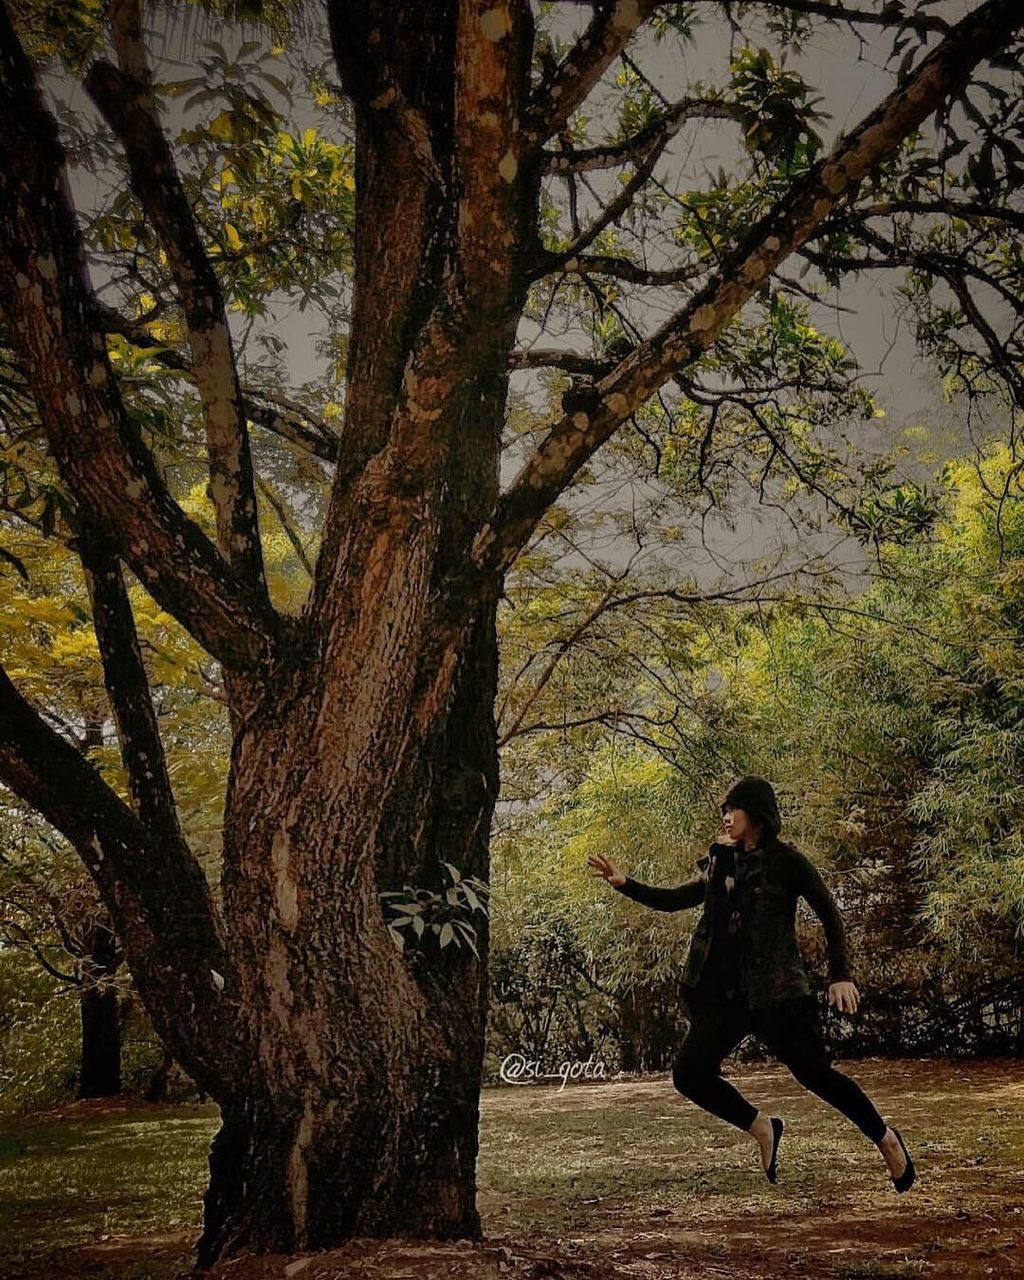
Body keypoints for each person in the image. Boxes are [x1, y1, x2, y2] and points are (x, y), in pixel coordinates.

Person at [588, 774, 915, 1191]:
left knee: (817, 1075)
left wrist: (840, 975)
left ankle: (886, 1139)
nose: (725, 818)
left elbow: (830, 913)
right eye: (722, 812)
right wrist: (625, 884)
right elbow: (677, 900)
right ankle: (761, 1126)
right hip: (729, 997)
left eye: (732, 810)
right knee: (689, 1074)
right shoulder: (722, 862)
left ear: (755, 814)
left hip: (778, 995)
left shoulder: (786, 861)